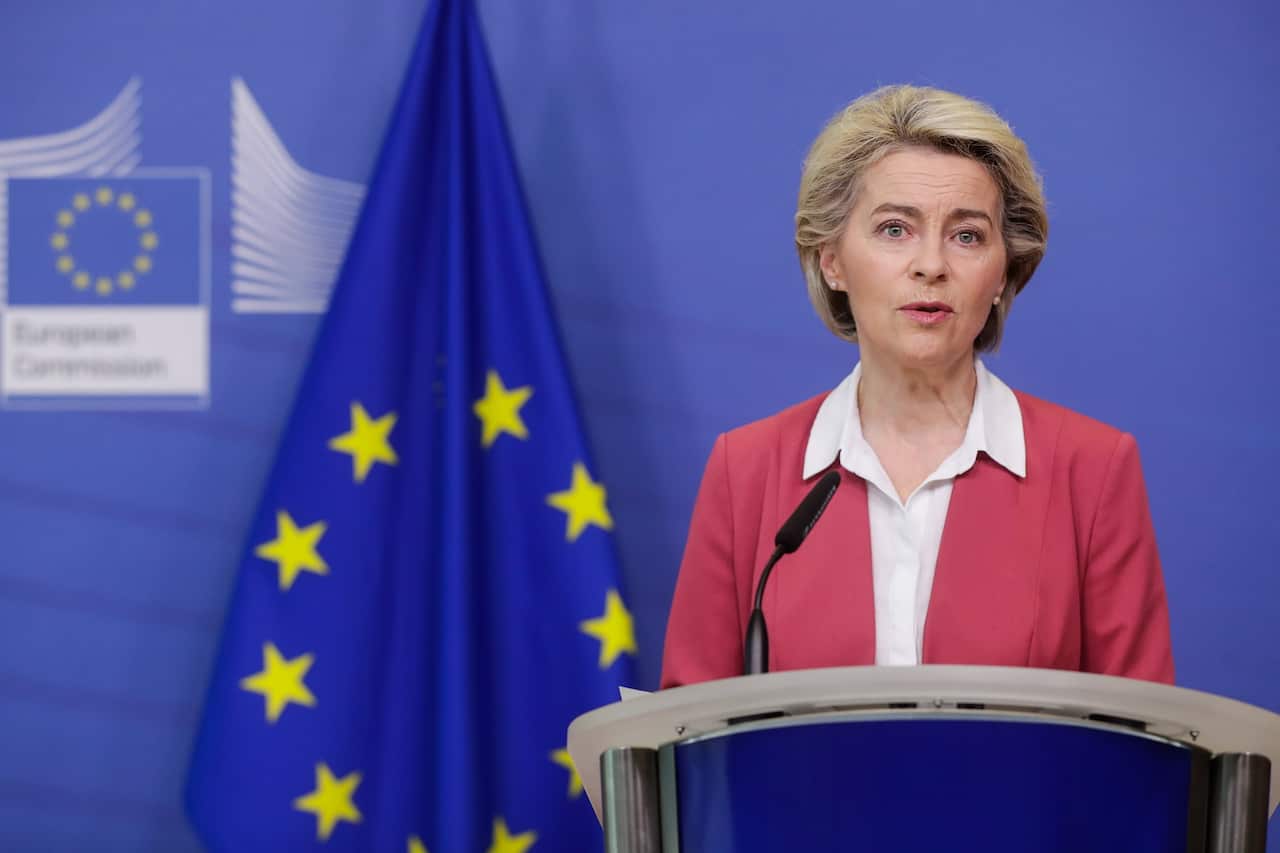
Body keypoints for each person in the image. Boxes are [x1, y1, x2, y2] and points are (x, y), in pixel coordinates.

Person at [660, 85, 1174, 689]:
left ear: (1003, 272)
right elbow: (687, 728)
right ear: (832, 260)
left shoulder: (1092, 471)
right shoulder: (745, 471)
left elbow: (1141, 732)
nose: (931, 265)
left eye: (967, 236)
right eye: (894, 229)